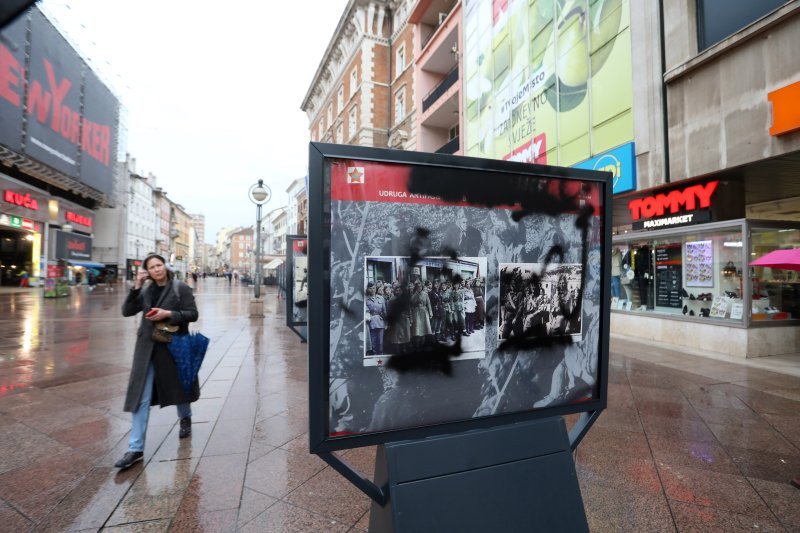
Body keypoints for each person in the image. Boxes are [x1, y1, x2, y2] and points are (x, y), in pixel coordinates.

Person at [115, 253, 199, 470]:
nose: (156, 269)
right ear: (148, 271)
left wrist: (168, 313)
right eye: (151, 267)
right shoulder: (145, 290)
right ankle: (135, 448)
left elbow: (192, 314)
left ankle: (185, 417)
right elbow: (126, 311)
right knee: (140, 397)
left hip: (173, 346)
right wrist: (136, 285)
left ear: (165, 266)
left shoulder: (180, 288)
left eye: (159, 265)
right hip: (147, 349)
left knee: (181, 388)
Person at [365, 282, 386, 356]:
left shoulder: (381, 298)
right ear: (367, 289)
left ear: (376, 288)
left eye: (374, 288)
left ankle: (380, 356)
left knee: (380, 343)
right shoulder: (366, 300)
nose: (372, 290)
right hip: (371, 323)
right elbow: (366, 311)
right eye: (370, 288)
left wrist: (386, 323)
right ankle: (375, 357)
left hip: (380, 322)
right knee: (373, 342)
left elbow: (384, 311)